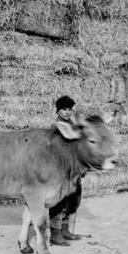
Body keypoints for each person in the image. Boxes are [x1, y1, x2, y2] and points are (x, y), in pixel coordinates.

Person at [49, 95, 83, 246]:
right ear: (58, 111)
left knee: (73, 199)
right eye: (64, 109)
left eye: (69, 109)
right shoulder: (55, 127)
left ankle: (65, 230)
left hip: (73, 168)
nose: (67, 112)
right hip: (61, 169)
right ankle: (55, 234)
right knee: (60, 201)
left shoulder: (73, 125)